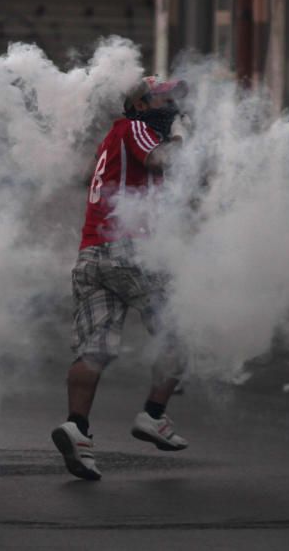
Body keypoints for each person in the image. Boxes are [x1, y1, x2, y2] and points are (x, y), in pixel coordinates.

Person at [52, 76, 191, 481]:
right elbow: (156, 160)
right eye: (164, 97)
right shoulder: (135, 128)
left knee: (92, 351)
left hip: (91, 254)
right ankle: (154, 415)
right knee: (180, 331)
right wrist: (184, 144)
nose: (172, 104)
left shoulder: (114, 137)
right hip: (128, 250)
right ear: (142, 105)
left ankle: (76, 428)